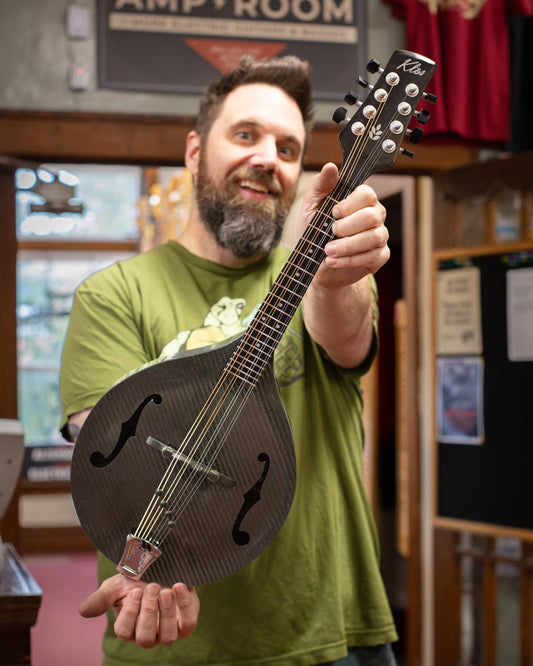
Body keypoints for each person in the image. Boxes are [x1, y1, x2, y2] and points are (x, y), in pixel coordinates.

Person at [60, 55, 398, 666]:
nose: (268, 157)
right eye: (246, 135)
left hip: (331, 634)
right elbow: (110, 460)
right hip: (172, 636)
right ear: (195, 151)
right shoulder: (112, 295)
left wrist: (334, 274)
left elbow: (345, 335)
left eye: (289, 148)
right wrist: (152, 572)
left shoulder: (332, 277)